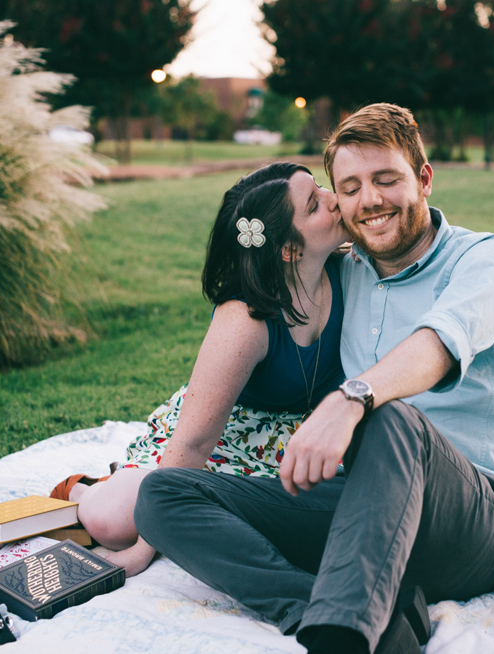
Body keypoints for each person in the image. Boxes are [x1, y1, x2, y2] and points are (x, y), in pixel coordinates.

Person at [135, 103, 494, 654]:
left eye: (387, 179)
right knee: (161, 495)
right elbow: (282, 273)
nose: (369, 200)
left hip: (470, 524)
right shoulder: (347, 271)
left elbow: (437, 345)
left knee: (389, 415)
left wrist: (353, 398)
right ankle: (339, 612)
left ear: (424, 179)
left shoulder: (484, 258)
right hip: (364, 515)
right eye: (350, 187)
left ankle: (340, 641)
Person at [50, 162, 349, 576]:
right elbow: (193, 442)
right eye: (315, 204)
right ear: (289, 249)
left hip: (306, 440)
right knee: (112, 521)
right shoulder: (244, 321)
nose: (336, 199)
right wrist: (142, 549)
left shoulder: (354, 274)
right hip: (225, 438)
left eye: (319, 187)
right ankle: (83, 488)